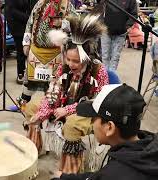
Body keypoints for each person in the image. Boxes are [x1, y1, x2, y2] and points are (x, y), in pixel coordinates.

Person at [26, 14, 109, 173]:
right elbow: (53, 91)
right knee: (32, 107)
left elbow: (99, 101)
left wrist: (69, 110)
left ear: (87, 58)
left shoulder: (99, 70)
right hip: (62, 104)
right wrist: (44, 112)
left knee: (72, 124)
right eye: (68, 59)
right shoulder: (62, 67)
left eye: (76, 61)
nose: (71, 64)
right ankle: (33, 151)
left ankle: (69, 172)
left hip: (88, 110)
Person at [52, 84, 158, 180]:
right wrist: (64, 177)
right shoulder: (150, 144)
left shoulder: (113, 174)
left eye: (93, 119)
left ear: (109, 127)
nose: (92, 123)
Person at [16, 0, 71, 107]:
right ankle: (23, 102)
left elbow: (76, 24)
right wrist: (26, 43)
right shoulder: (39, 3)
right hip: (36, 51)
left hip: (56, 53)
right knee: (30, 81)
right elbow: (30, 23)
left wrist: (62, 23)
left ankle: (49, 107)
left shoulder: (67, 5)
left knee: (53, 84)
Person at [5, 0, 38, 84]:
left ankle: (32, 74)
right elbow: (12, 11)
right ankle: (21, 74)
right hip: (18, 27)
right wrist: (29, 18)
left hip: (29, 26)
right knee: (21, 52)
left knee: (32, 51)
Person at [100, 0, 138, 70]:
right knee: (105, 56)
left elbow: (134, 14)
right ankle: (105, 77)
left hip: (121, 32)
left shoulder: (131, 1)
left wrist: (128, 26)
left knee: (115, 57)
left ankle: (111, 76)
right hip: (105, 30)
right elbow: (99, 8)